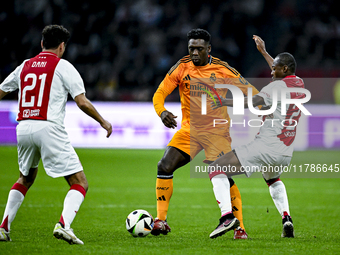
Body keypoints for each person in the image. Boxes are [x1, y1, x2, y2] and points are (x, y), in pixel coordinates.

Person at [0, 25, 112, 244]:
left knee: (26, 178)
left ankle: (3, 227)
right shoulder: (63, 66)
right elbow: (81, 102)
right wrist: (102, 121)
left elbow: (2, 90)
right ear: (62, 46)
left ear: (42, 43)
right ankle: (64, 225)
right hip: (48, 127)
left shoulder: (25, 66)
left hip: (22, 127)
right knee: (79, 181)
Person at [152, 28, 260, 239]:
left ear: (208, 49)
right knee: (164, 165)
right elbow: (160, 92)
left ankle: (239, 228)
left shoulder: (222, 70)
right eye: (191, 48)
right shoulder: (182, 67)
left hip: (217, 130)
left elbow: (254, 96)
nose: (194, 53)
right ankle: (161, 221)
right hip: (190, 130)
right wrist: (162, 111)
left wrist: (227, 101)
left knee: (221, 174)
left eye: (199, 49)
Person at [208, 35, 304, 239]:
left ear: (284, 70)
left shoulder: (275, 87)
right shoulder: (299, 84)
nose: (271, 71)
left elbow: (253, 101)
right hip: (285, 153)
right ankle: (286, 217)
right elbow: (282, 71)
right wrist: (264, 52)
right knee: (273, 179)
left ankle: (227, 217)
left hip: (266, 148)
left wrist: (223, 101)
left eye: (275, 68)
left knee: (216, 168)